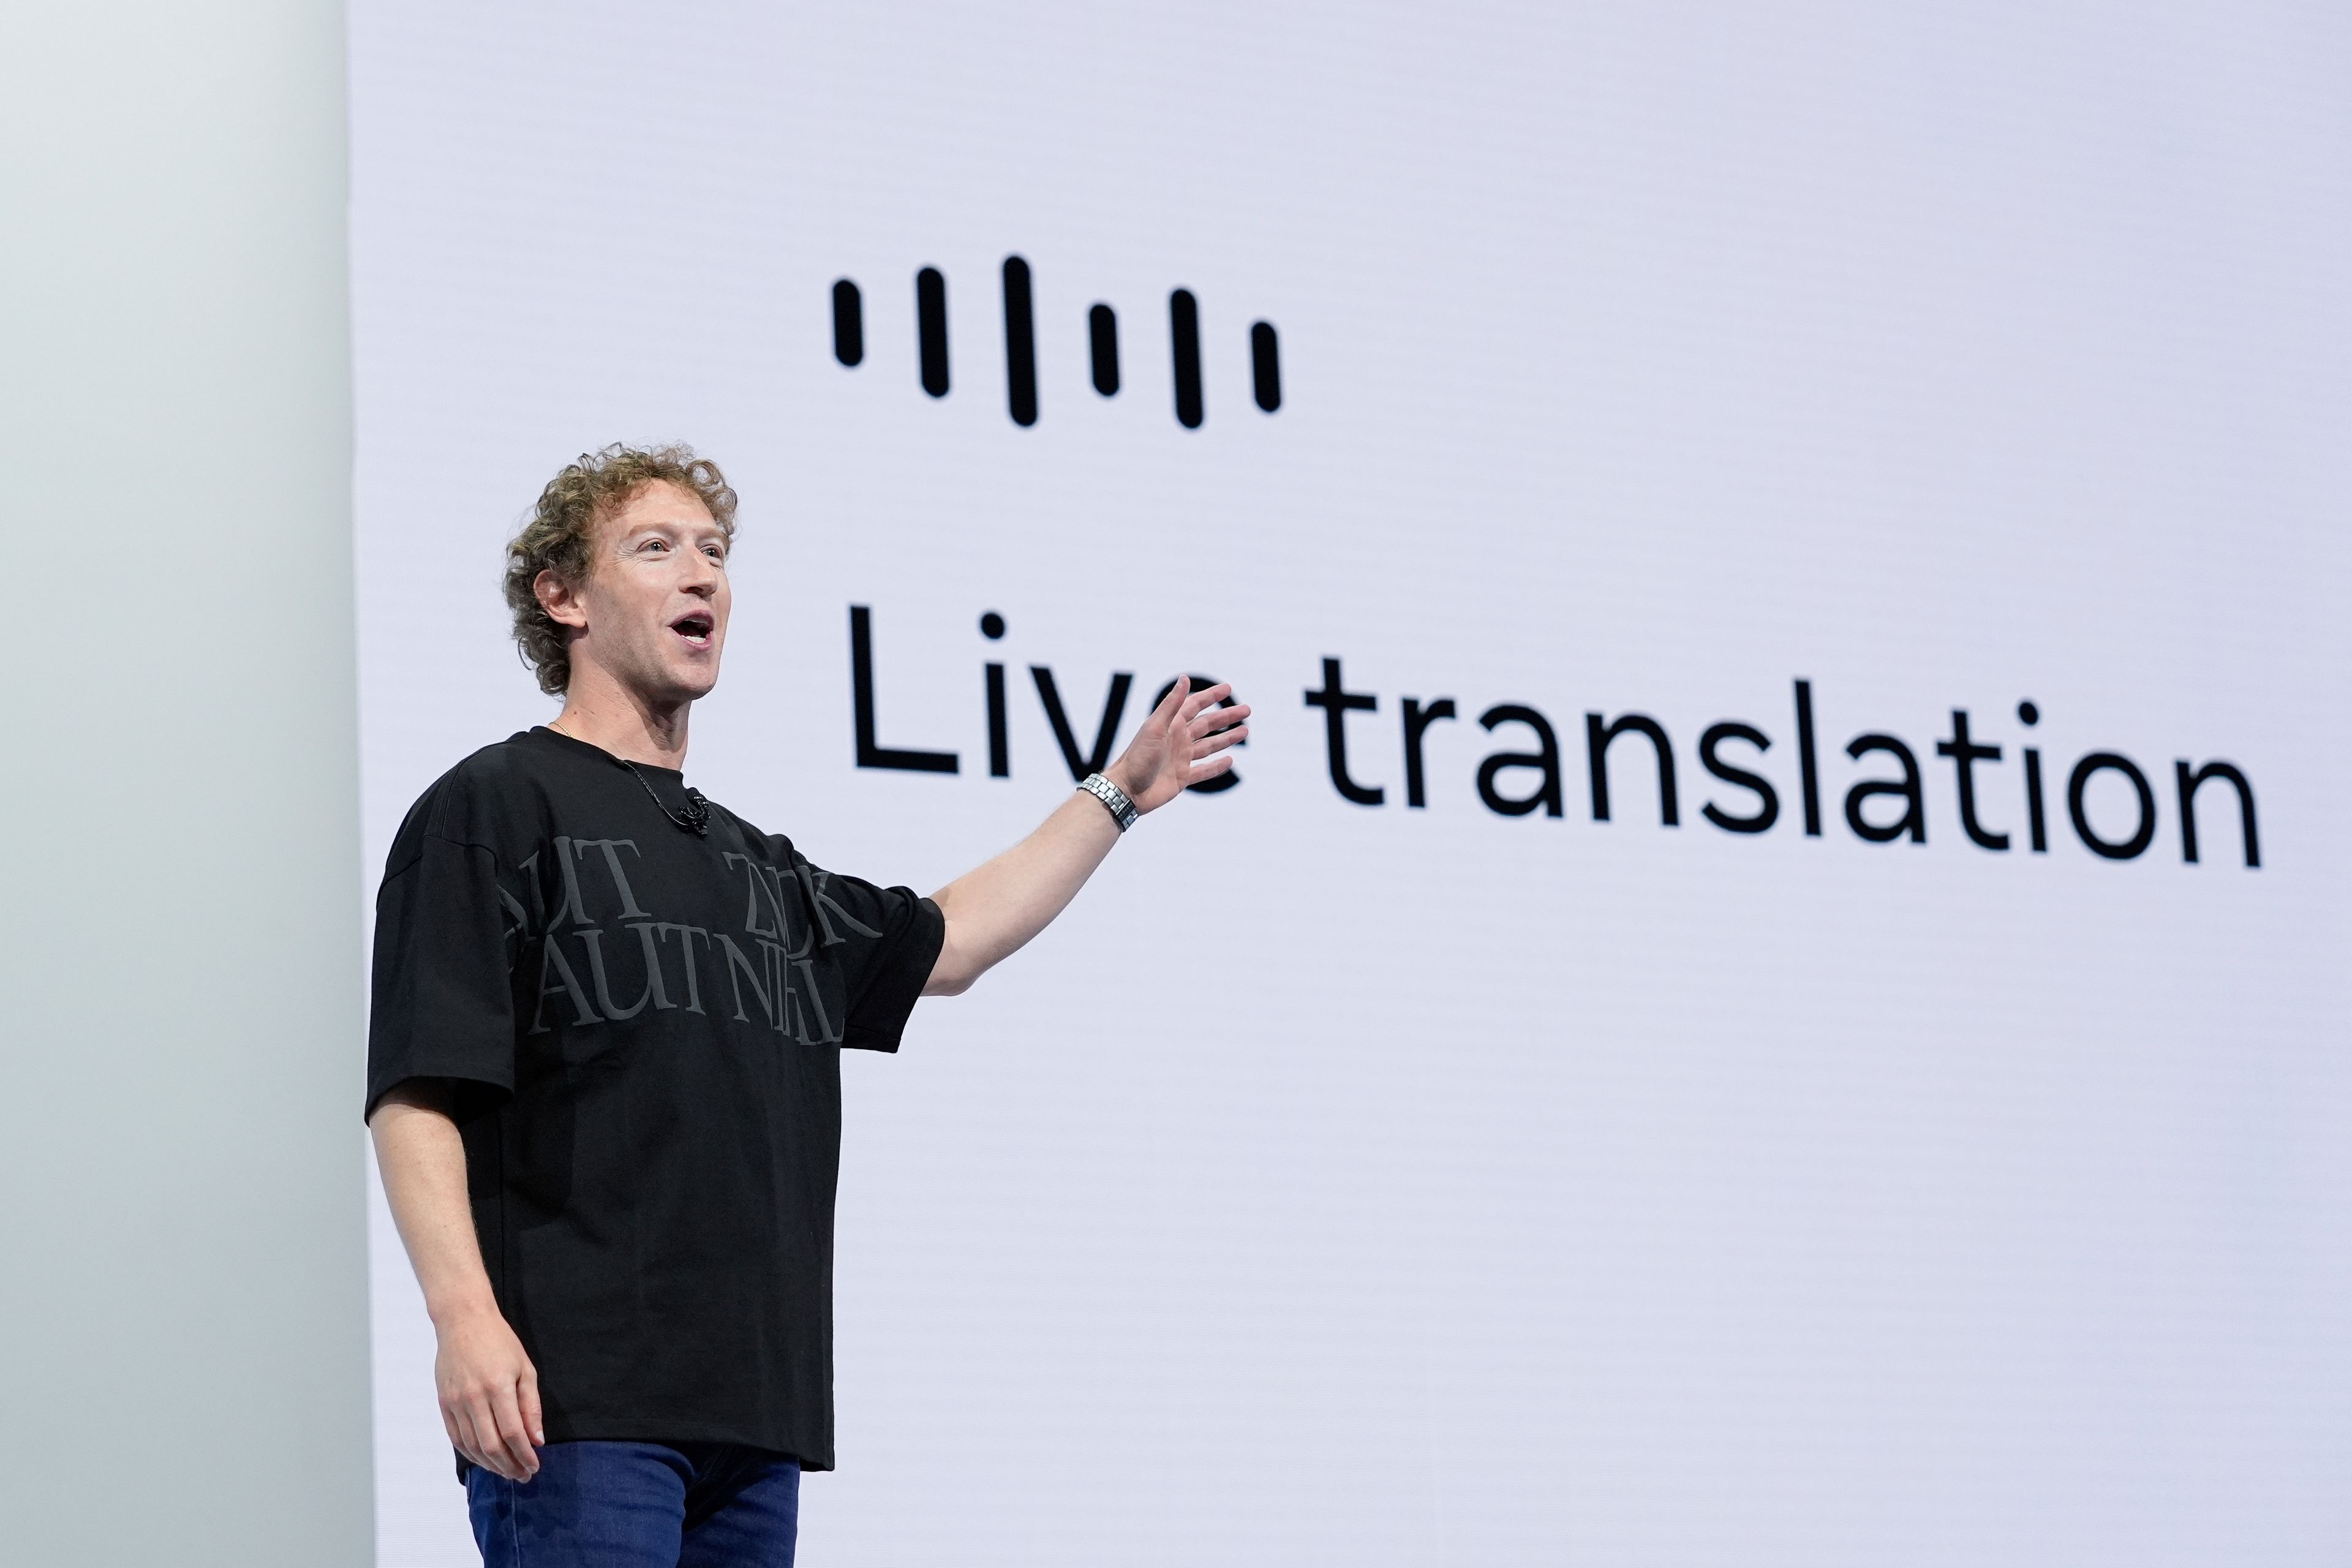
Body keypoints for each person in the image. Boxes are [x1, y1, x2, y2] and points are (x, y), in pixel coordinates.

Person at [366, 443, 1248, 1567]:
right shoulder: (496, 803)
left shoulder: (755, 867)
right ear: (564, 598)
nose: (702, 577)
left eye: (715, 553)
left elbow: (952, 941)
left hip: (755, 1418)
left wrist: (1119, 794)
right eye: (656, 548)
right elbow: (418, 1088)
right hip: (579, 1407)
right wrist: (463, 1320)